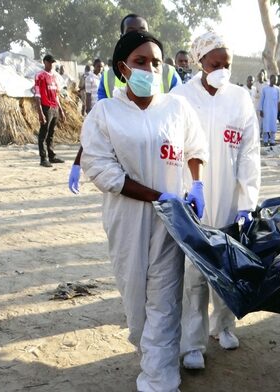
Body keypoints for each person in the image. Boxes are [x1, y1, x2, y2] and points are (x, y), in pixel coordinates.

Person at [80, 31, 208, 392]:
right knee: (137, 308)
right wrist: (158, 196)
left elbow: (196, 147)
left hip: (171, 224)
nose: (150, 69)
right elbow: (102, 170)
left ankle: (159, 380)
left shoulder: (176, 108)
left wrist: (195, 184)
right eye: (140, 62)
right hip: (128, 222)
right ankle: (149, 353)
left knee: (166, 304)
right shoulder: (105, 113)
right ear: (123, 68)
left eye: (155, 61)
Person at [171, 31, 261, 370]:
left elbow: (249, 153)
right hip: (192, 199)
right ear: (200, 62)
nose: (222, 69)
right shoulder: (180, 97)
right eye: (215, 63)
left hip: (227, 198)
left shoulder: (239, 98)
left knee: (226, 267)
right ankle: (193, 343)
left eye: (227, 64)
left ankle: (223, 326)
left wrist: (247, 200)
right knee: (194, 274)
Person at [69, 13, 181, 194]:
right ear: (121, 36)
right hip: (126, 165)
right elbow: (97, 125)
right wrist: (78, 161)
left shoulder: (168, 73)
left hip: (163, 160)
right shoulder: (110, 76)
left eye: (142, 31)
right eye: (131, 31)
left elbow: (183, 122)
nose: (149, 69)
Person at [35, 54, 66, 168]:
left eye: (53, 62)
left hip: (54, 107)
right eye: (49, 62)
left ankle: (51, 156)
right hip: (46, 107)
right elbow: (37, 95)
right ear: (45, 62)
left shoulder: (54, 76)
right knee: (44, 133)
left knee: (51, 133)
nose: (51, 64)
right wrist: (40, 112)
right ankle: (43, 158)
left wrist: (61, 110)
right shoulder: (40, 76)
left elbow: (56, 95)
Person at [259, 74, 280, 146]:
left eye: (276, 79)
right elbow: (261, 100)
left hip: (274, 111)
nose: (275, 81)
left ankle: (272, 141)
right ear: (270, 79)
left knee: (273, 126)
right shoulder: (265, 89)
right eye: (274, 79)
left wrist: (278, 111)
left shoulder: (277, 89)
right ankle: (265, 140)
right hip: (266, 110)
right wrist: (261, 109)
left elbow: (279, 101)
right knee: (266, 126)